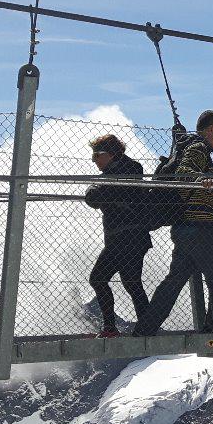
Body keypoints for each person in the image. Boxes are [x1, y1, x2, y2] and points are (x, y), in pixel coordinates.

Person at [136, 110, 213, 336]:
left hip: (184, 227)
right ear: (211, 130)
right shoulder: (199, 148)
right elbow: (184, 173)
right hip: (203, 226)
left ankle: (146, 326)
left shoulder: (192, 148)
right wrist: (203, 178)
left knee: (175, 280)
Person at [83, 134, 153, 338]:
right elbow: (95, 195)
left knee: (99, 278)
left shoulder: (130, 170)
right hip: (128, 238)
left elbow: (98, 196)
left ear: (111, 154)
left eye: (97, 155)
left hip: (126, 237)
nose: (94, 160)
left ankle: (112, 328)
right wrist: (103, 194)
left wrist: (102, 194)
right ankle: (146, 326)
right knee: (131, 282)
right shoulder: (117, 173)